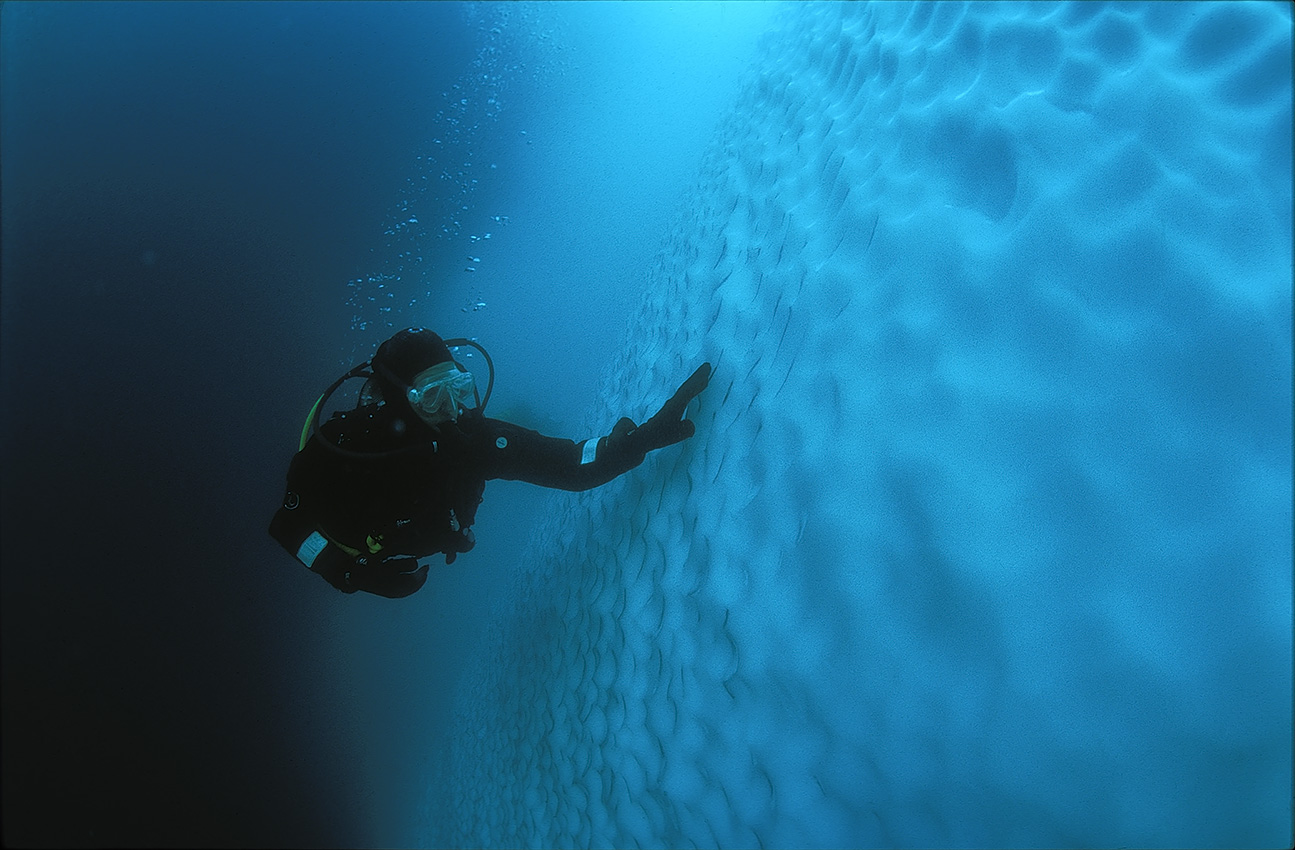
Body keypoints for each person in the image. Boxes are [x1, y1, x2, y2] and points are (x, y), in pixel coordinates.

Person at [269, 327, 712, 598]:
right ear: (400, 401)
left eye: (458, 388)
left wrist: (640, 440)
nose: (451, 409)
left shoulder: (473, 440)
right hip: (358, 544)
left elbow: (573, 463)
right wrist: (349, 573)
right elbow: (288, 529)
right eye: (432, 396)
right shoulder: (342, 445)